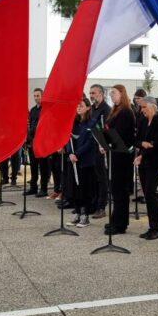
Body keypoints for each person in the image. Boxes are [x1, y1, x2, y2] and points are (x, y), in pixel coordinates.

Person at [104, 84, 136, 235]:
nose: (111, 96)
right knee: (116, 190)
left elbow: (122, 134)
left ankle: (120, 223)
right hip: (114, 154)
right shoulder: (115, 111)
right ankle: (116, 219)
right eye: (110, 94)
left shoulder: (127, 112)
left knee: (121, 190)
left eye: (114, 93)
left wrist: (109, 141)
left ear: (122, 94)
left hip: (123, 155)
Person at [135, 96, 158, 240]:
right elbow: (137, 140)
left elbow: (157, 144)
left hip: (155, 162)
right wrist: (143, 145)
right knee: (147, 195)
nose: (142, 110)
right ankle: (152, 226)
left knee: (150, 193)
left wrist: (142, 154)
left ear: (152, 106)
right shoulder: (142, 120)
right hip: (144, 161)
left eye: (144, 107)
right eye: (141, 107)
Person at [68, 97, 96, 228]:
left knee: (85, 189)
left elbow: (90, 143)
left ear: (88, 107)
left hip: (86, 161)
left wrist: (77, 154)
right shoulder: (73, 122)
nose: (78, 107)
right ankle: (78, 213)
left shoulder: (92, 123)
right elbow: (68, 139)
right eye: (77, 105)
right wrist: (70, 153)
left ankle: (85, 216)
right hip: (74, 161)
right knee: (75, 188)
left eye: (81, 105)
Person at [88, 84, 111, 219]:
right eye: (90, 93)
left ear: (101, 94)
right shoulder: (92, 109)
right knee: (94, 178)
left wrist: (104, 145)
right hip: (91, 148)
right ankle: (94, 204)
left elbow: (106, 129)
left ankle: (101, 207)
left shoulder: (106, 110)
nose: (91, 95)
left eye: (94, 93)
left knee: (102, 179)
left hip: (101, 149)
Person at [24, 88, 50, 197]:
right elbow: (30, 124)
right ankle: (33, 187)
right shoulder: (33, 110)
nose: (36, 98)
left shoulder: (46, 109)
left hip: (42, 143)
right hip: (32, 142)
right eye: (34, 96)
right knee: (33, 166)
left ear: (42, 96)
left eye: (38, 96)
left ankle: (43, 188)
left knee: (43, 167)